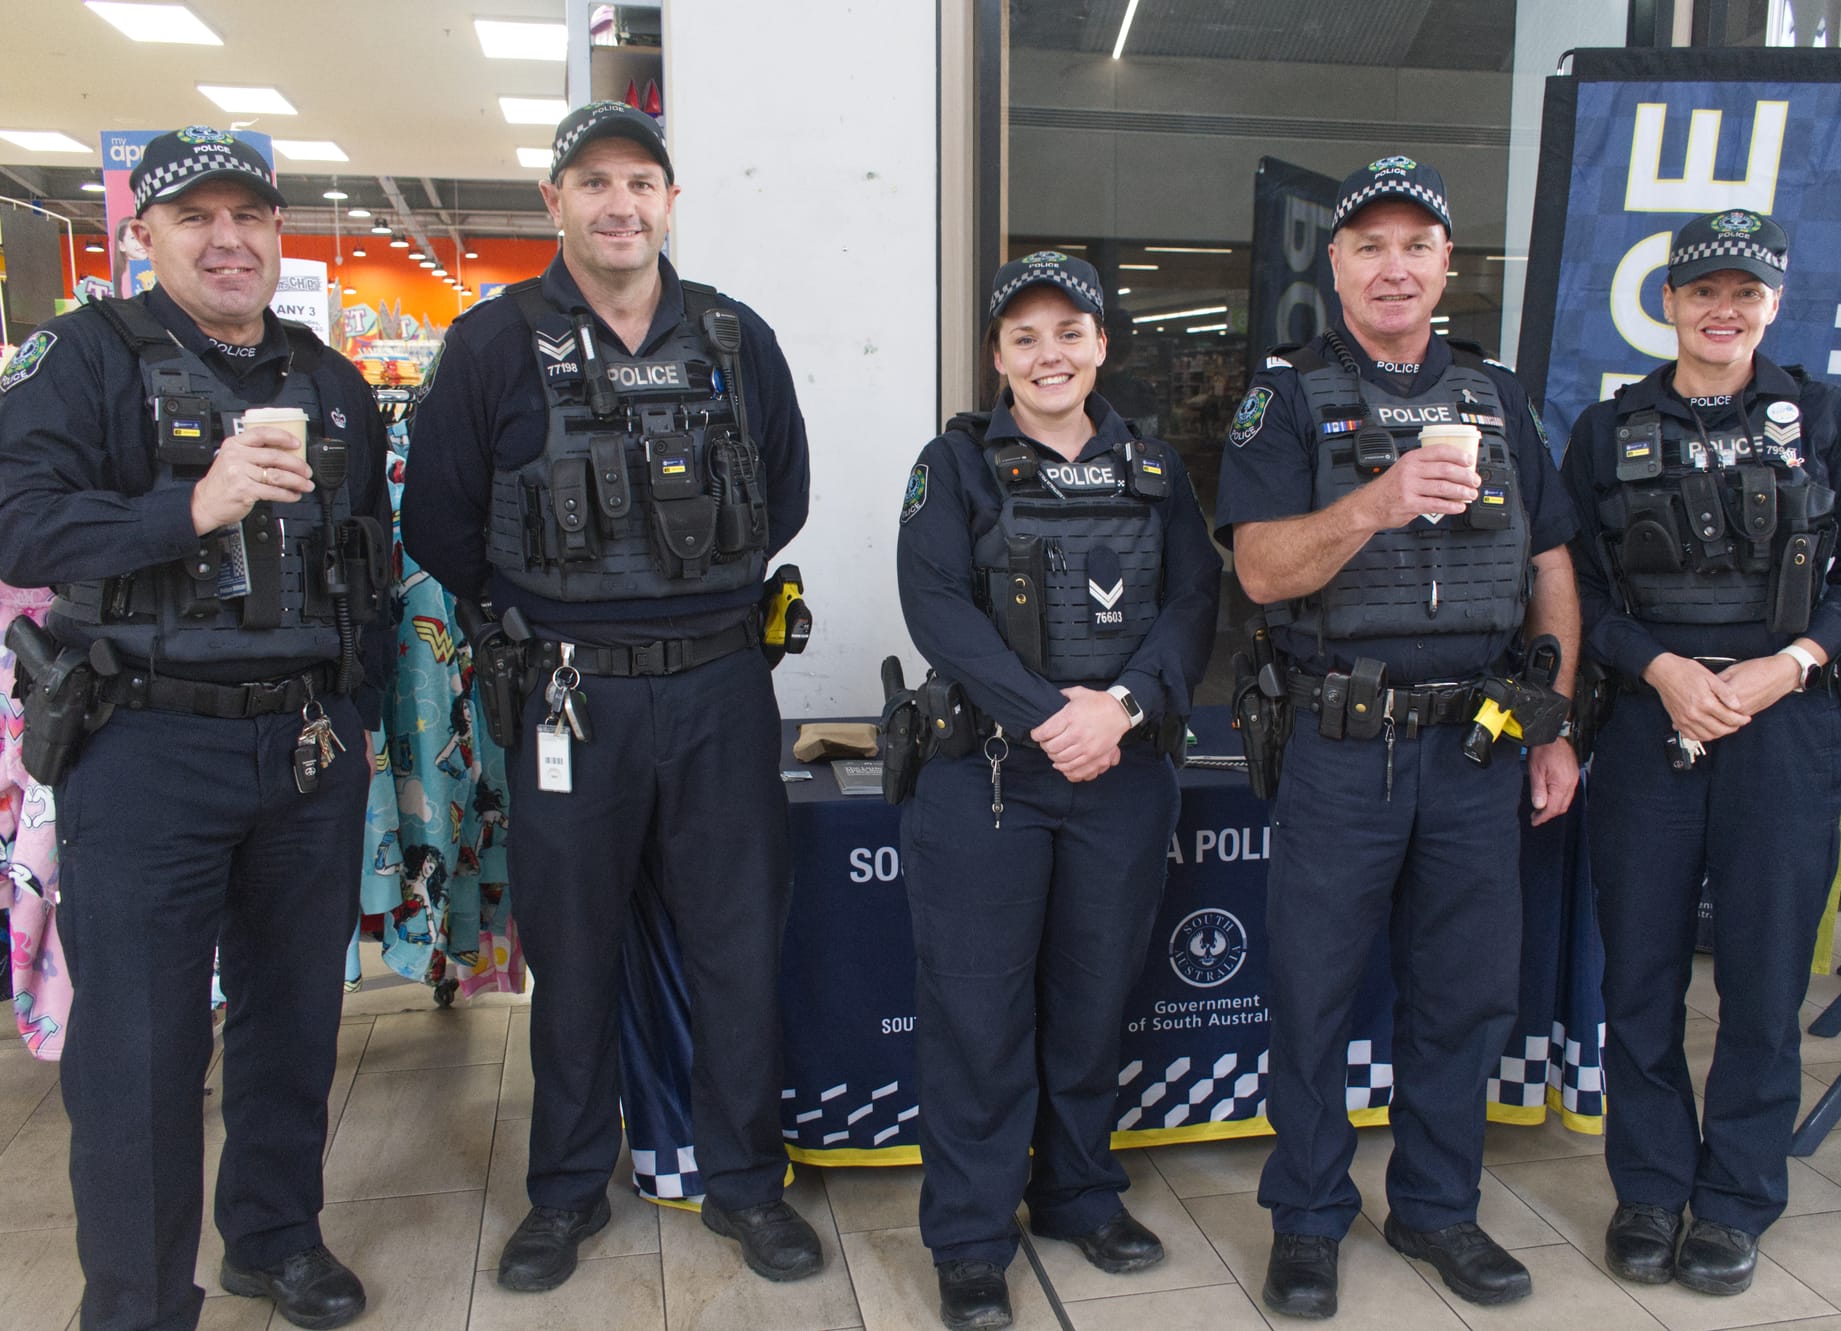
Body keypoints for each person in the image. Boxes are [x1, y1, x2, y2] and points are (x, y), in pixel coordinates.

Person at [401, 101, 819, 1293]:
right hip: (566, 701)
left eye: (640, 181)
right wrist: (556, 618)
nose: (618, 203)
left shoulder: (737, 339)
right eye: (592, 183)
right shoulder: (490, 346)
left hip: (719, 689)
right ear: (555, 203)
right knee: (573, 956)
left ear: (670, 201)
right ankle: (566, 1190)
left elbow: (780, 496)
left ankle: (745, 1182)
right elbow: (439, 519)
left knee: (738, 947)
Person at [0, 127, 394, 1331]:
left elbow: (367, 567)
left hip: (304, 748)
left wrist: (352, 715)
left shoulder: (326, 377)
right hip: (144, 747)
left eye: (250, 217)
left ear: (278, 232)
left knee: (294, 1019)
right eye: (195, 218)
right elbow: (19, 528)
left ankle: (276, 1239)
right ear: (140, 236)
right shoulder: (78, 357)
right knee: (141, 1049)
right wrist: (194, 506)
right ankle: (136, 1300)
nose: (228, 240)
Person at [1213, 156, 1581, 1321]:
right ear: (1334, 264)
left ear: (1444, 266)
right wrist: (1378, 499)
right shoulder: (1285, 399)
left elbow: (1551, 568)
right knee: (1313, 990)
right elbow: (1260, 569)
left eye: (1412, 246)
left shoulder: (1500, 398)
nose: (1391, 266)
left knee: (1463, 995)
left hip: (1476, 743)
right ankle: (1309, 1217)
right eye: (1366, 245)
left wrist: (1553, 721)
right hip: (1340, 741)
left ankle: (1434, 1206)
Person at [1562, 210, 1841, 1295]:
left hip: (1784, 724)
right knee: (1642, 974)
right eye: (1702, 290)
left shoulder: (1825, 418)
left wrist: (1789, 662)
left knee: (1759, 981)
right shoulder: (1603, 428)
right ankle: (1651, 1188)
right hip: (1646, 720)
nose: (1722, 309)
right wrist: (1660, 667)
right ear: (1666, 301)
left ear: (1772, 300)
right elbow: (1577, 589)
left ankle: (1734, 1198)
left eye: (1743, 292)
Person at [895, 251, 1220, 1330]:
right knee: (978, 1011)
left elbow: (1189, 606)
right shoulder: (954, 468)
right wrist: (1048, 715)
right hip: (986, 778)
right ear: (996, 356)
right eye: (1023, 336)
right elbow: (936, 606)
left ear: (1101, 348)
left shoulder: (1158, 472)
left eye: (1068, 332)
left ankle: (1078, 1193)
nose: (1048, 354)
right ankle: (973, 1240)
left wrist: (1117, 707)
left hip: (1120, 773)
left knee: (1090, 1001)